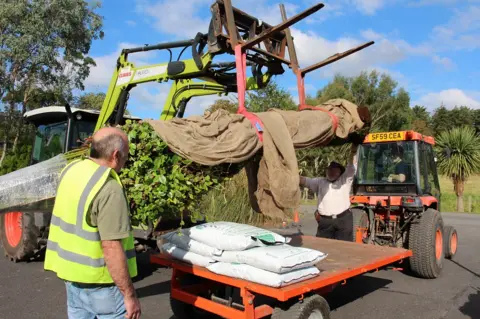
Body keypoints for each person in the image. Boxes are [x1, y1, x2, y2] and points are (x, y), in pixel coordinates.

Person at [44, 126, 142, 319]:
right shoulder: (108, 187)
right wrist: (129, 295)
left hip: (72, 280)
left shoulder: (70, 170)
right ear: (115, 155)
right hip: (103, 286)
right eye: (126, 156)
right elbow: (111, 247)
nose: (126, 161)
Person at [299, 144, 358, 241]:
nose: (331, 172)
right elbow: (305, 181)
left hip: (343, 221)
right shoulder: (320, 181)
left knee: (344, 248)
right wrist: (290, 175)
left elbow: (351, 166)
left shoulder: (345, 180)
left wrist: (353, 151)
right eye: (329, 170)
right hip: (325, 222)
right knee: (323, 247)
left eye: (334, 171)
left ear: (340, 173)